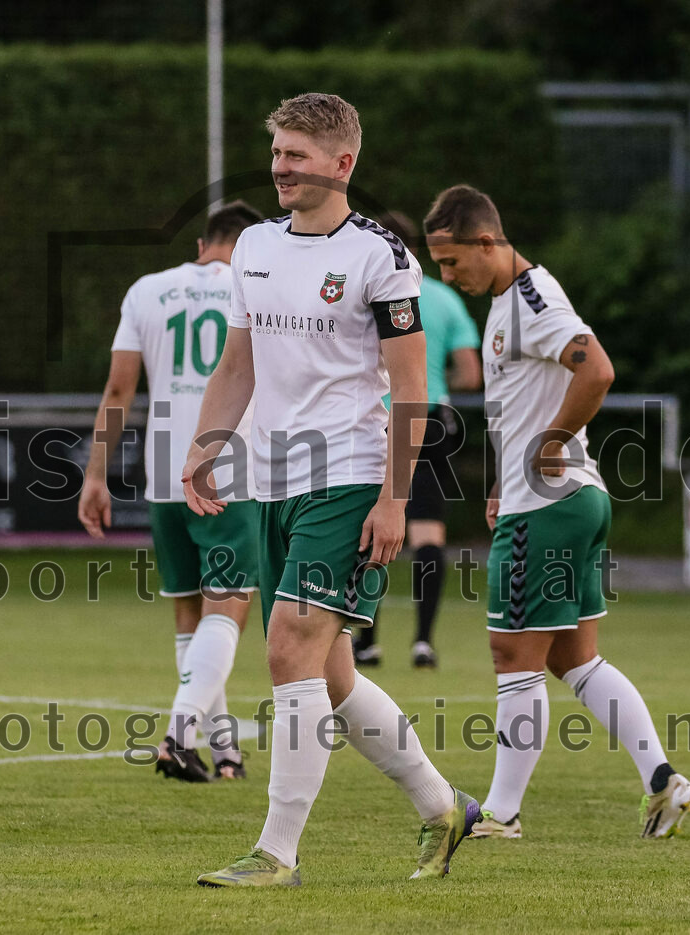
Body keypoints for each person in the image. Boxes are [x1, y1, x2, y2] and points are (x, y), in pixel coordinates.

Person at [181, 93, 480, 887]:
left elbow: (411, 389)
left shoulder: (383, 258)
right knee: (332, 670)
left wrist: (394, 497)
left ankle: (276, 853)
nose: (281, 167)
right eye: (277, 152)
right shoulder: (252, 246)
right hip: (273, 481)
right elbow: (236, 365)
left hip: (349, 474)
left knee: (286, 647)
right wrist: (206, 447)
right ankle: (443, 806)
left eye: (297, 155)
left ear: (342, 164)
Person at [423, 184, 690, 839]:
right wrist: (507, 475)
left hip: (548, 506)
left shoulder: (529, 301)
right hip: (571, 498)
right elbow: (526, 400)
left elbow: (595, 370)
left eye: (453, 261)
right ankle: (663, 780)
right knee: (575, 658)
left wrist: (547, 445)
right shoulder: (510, 302)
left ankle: (502, 813)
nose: (447, 275)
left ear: (486, 242)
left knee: (510, 653)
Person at [78, 200, 264, 783]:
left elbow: (117, 389)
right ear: (246, 245)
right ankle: (179, 738)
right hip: (232, 467)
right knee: (228, 610)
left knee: (192, 613)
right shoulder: (256, 283)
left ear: (202, 244)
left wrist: (94, 473)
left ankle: (225, 751)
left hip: (166, 472)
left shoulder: (146, 290)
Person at [353, 210, 482, 669]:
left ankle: (365, 640)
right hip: (430, 421)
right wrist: (433, 380)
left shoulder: (361, 288)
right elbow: (470, 372)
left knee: (370, 531)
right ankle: (423, 641)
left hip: (377, 418)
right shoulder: (444, 299)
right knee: (428, 532)